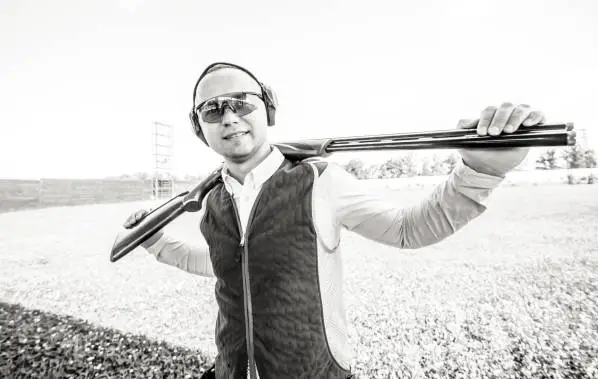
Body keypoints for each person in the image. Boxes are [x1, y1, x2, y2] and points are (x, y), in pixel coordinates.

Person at [123, 62, 546, 379]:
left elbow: (407, 229)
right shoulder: (213, 199)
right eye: (212, 110)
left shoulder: (319, 178)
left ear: (266, 109)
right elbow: (221, 266)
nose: (229, 116)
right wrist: (157, 242)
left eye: (240, 102)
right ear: (200, 127)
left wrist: (481, 173)